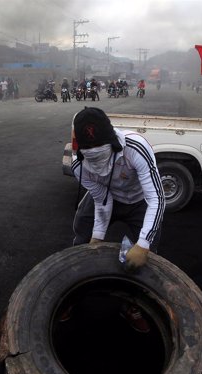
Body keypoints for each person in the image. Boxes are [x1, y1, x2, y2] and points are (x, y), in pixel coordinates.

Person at [70, 107, 165, 332]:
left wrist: (142, 245)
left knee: (147, 253)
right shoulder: (78, 166)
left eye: (101, 156)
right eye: (91, 157)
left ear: (114, 144)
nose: (99, 167)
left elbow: (157, 198)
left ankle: (131, 305)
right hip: (106, 195)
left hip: (140, 200)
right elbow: (101, 199)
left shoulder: (136, 148)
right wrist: (97, 237)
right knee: (81, 238)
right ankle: (72, 294)